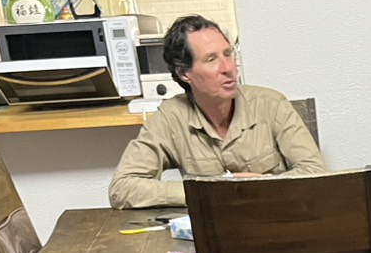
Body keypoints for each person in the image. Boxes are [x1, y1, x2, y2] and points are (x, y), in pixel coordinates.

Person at [110, 15, 325, 209]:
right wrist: (211, 191)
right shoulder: (170, 117)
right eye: (211, 59)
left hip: (276, 219)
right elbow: (122, 188)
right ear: (184, 73)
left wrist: (258, 187)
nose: (228, 68)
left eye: (228, 54)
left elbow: (315, 173)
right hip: (211, 232)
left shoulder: (271, 104)